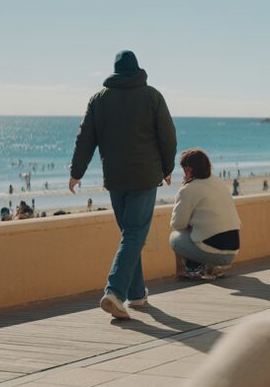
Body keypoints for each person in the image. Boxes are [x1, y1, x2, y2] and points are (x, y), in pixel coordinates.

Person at [70, 50, 177, 321]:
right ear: (138, 69)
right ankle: (115, 291)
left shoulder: (99, 100)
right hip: (144, 177)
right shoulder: (152, 96)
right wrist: (167, 168)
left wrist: (76, 172)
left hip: (115, 178)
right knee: (133, 234)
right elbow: (168, 135)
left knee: (131, 234)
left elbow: (85, 138)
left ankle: (137, 294)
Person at [169, 149, 241, 280]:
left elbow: (177, 224)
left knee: (174, 238)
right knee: (199, 232)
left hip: (214, 252)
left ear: (189, 170)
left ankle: (190, 271)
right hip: (233, 250)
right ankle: (212, 267)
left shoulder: (188, 189)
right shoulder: (218, 182)